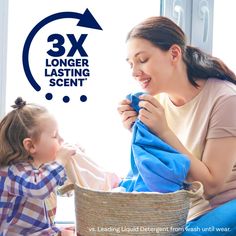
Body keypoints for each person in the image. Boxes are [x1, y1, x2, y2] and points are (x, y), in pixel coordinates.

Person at [118, 16, 236, 234]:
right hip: (183, 210)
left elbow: (210, 187)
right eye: (131, 64)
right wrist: (141, 133)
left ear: (174, 53)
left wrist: (163, 132)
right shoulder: (159, 102)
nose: (134, 72)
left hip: (222, 208)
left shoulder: (225, 99)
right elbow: (166, 170)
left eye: (142, 59)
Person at [0, 97, 76, 236]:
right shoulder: (12, 172)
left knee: (74, 230)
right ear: (30, 146)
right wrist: (59, 161)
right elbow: (39, 187)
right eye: (55, 136)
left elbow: (54, 181)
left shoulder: (35, 168)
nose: (62, 140)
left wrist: (75, 161)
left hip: (38, 231)